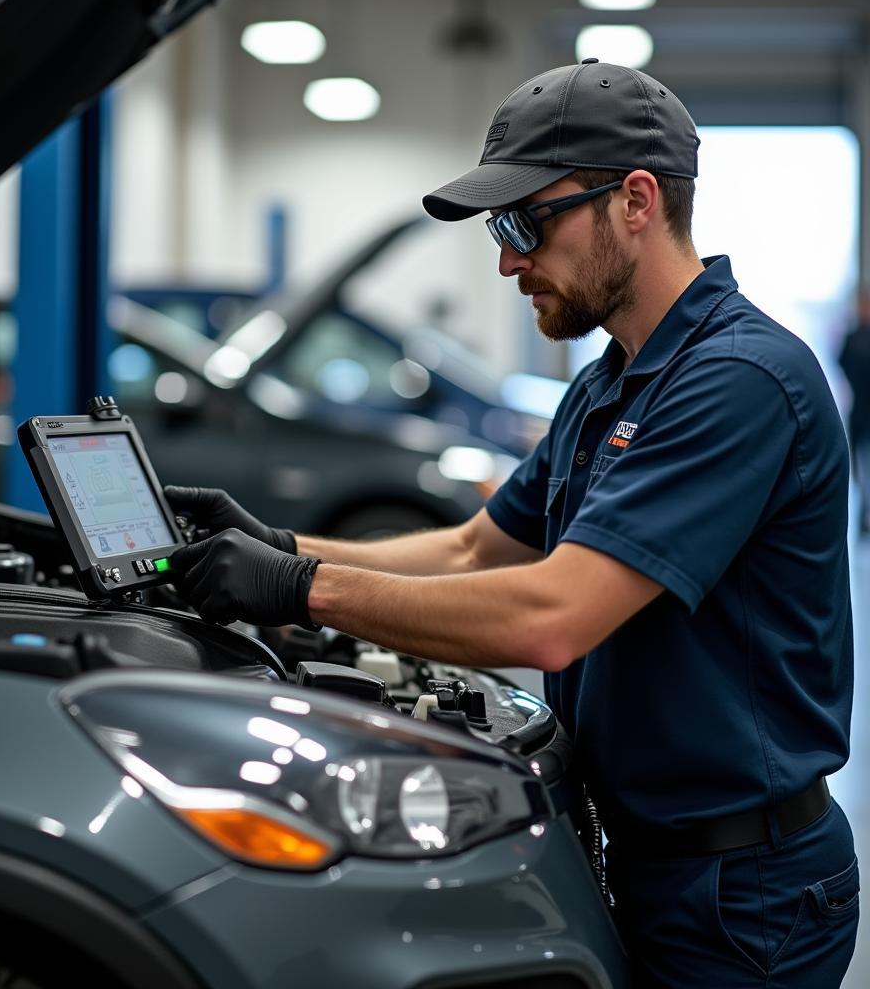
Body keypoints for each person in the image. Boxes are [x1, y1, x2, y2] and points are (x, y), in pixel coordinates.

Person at [164, 60, 858, 987]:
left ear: (637, 200)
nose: (506, 258)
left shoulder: (738, 381)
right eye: (502, 226)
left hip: (742, 894)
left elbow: (552, 618)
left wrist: (301, 590)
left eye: (526, 220)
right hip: (649, 855)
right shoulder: (611, 381)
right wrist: (282, 544)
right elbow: (473, 548)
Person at [839, 287, 870, 534]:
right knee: (858, 464)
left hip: (861, 407)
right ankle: (862, 514)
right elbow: (842, 364)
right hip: (859, 409)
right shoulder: (852, 337)